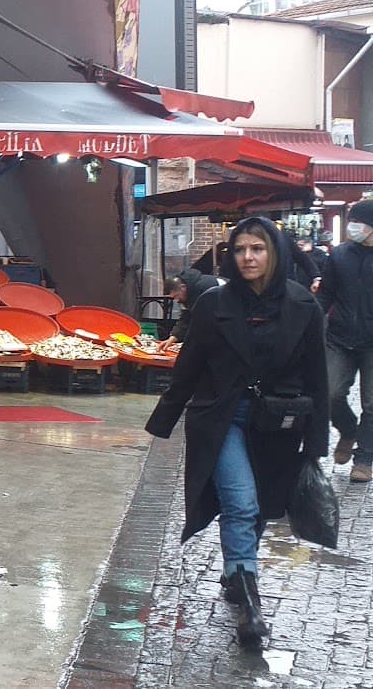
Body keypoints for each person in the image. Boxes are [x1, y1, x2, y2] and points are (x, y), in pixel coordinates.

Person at [145, 217, 329, 652]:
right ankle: (249, 599)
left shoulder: (302, 305)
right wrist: (163, 419)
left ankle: (235, 573)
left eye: (257, 249)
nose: (248, 257)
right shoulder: (214, 304)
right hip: (222, 416)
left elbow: (317, 377)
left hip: (278, 422)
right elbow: (190, 366)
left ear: (275, 253)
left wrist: (317, 439)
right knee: (240, 501)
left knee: (261, 505)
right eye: (241, 249)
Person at [316, 200, 373, 481]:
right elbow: (326, 294)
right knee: (330, 393)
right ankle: (348, 430)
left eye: (358, 222)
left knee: (372, 403)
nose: (352, 227)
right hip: (339, 338)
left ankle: (364, 459)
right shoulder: (338, 255)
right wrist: (310, 319)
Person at [164, 268, 220, 347]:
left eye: (176, 296)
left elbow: (205, 321)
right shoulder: (187, 295)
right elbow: (185, 317)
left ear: (183, 287)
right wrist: (174, 337)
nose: (177, 300)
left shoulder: (205, 288)